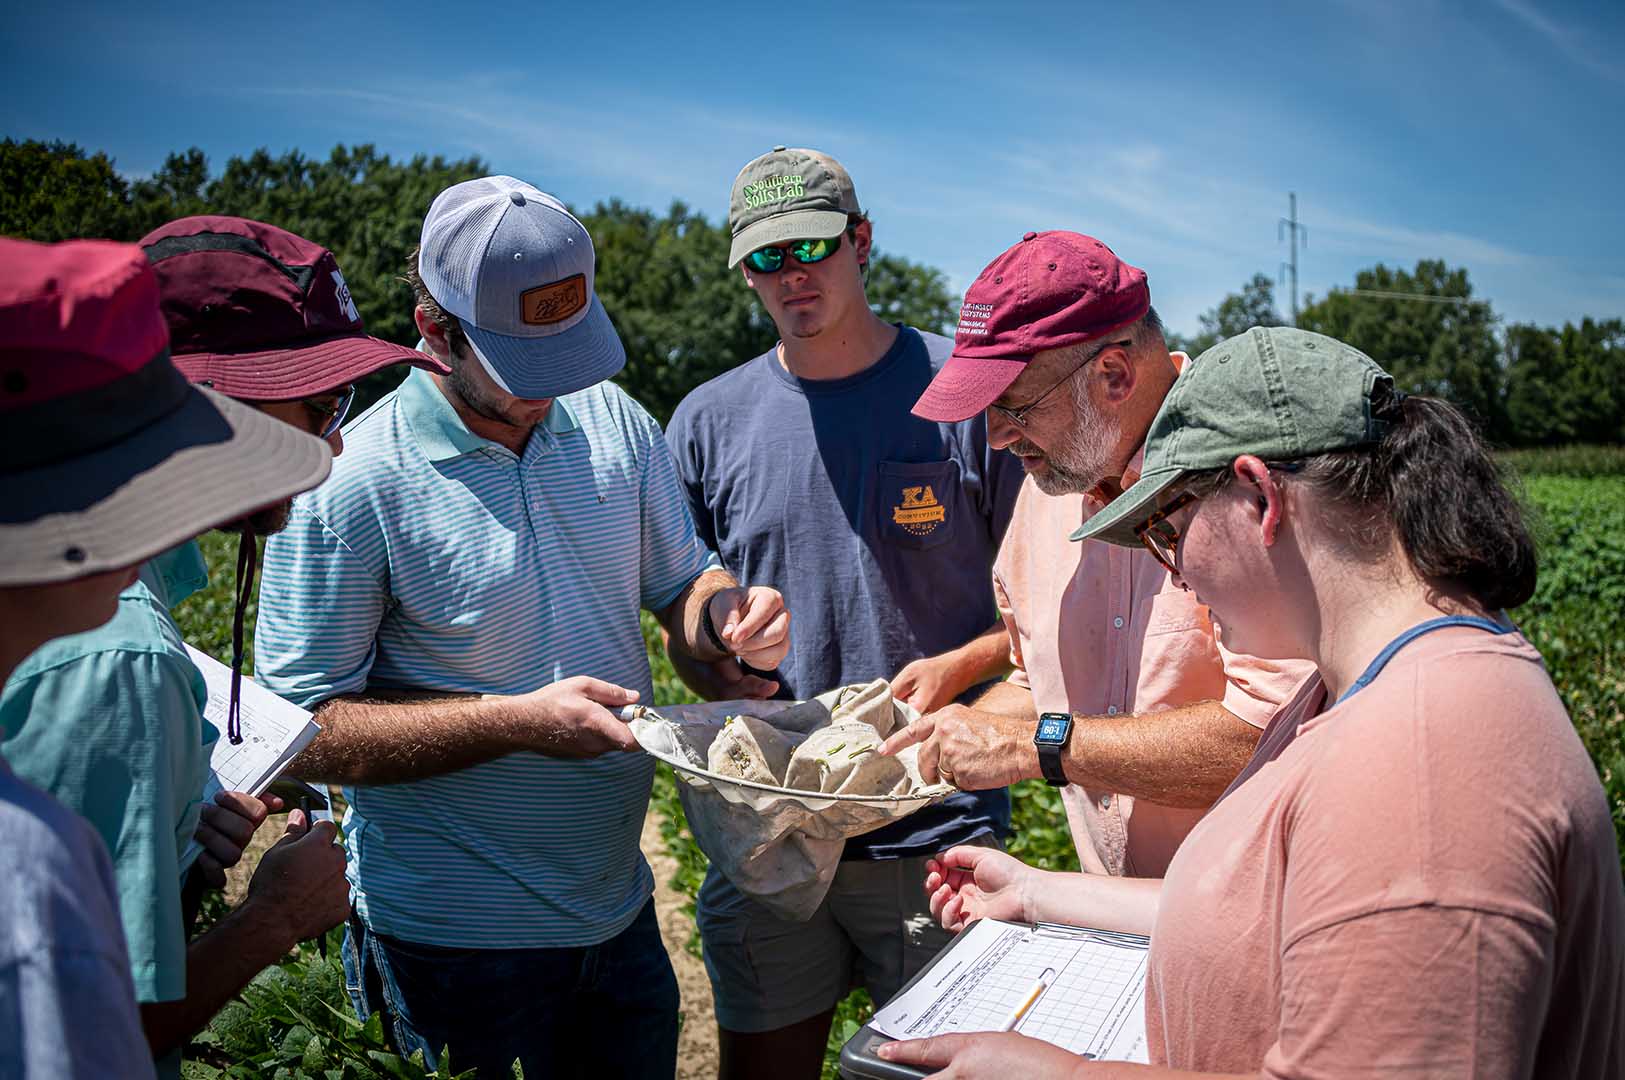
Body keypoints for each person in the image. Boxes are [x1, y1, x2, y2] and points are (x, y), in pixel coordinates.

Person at [882, 328, 1625, 1078]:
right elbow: (1259, 911)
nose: (1173, 577)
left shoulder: (1422, 765)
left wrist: (1058, 1075)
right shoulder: (1360, 685)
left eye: (1167, 533)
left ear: (1261, 498)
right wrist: (1040, 892)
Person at [252, 174, 791, 1079]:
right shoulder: (350, 483)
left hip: (619, 918)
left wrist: (726, 620)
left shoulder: (613, 419)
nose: (551, 390)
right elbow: (301, 731)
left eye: (567, 353)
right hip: (448, 949)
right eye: (521, 364)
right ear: (433, 330)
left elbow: (681, 584)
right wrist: (515, 723)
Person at [0, 216, 422, 1074]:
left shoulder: (120, 615)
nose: (336, 439)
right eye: (319, 402)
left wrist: (179, 840)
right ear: (203, 402)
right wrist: (274, 917)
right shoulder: (120, 658)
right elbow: (95, 1036)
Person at [662, 145, 1024, 1079]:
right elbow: (684, 629)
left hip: (935, 825)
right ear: (743, 267)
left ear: (861, 242)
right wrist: (722, 650)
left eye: (811, 249)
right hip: (769, 832)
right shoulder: (705, 421)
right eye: (766, 259)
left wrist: (963, 665)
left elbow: (1049, 610)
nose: (793, 277)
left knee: (931, 1067)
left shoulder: (965, 396)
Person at [885, 231, 1312, 876]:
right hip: (1116, 917)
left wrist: (1043, 747)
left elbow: (1278, 734)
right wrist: (943, 739)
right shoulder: (1048, 485)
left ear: (1114, 374)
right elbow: (1042, 684)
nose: (997, 438)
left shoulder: (1247, 483)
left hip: (1258, 917)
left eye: (1014, 405)